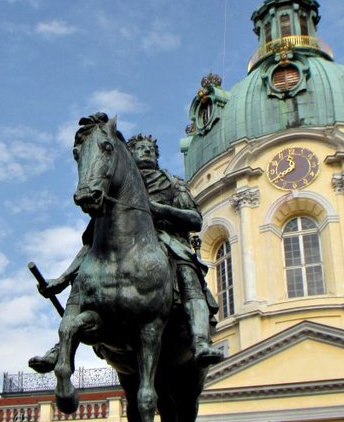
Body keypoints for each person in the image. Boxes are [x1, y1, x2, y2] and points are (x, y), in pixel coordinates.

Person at [29, 131, 224, 372]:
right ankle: (61, 347)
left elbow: (194, 219)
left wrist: (159, 210)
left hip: (167, 240)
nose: (146, 152)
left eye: (150, 150)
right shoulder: (116, 189)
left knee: (188, 273)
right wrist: (60, 280)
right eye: (140, 149)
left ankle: (201, 341)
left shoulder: (173, 184)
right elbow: (90, 242)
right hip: (121, 247)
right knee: (87, 274)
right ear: (129, 155)